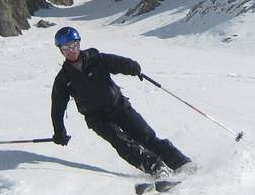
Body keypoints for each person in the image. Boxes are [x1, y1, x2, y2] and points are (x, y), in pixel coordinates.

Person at [49, 26, 192, 177]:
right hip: (97, 118)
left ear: (79, 43)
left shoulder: (96, 59)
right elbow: (58, 106)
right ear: (61, 50)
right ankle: (155, 168)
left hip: (118, 106)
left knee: (145, 135)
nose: (71, 51)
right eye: (66, 48)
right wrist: (59, 131)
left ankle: (181, 163)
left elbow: (116, 62)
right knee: (123, 143)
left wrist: (131, 67)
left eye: (74, 45)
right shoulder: (64, 79)